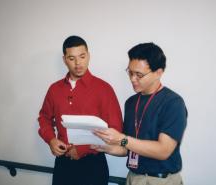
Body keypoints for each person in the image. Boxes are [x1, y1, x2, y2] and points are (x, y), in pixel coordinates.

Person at [92, 42, 187, 185]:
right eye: (130, 72)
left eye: (139, 75)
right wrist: (105, 147)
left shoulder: (173, 103)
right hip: (133, 178)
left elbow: (163, 150)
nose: (132, 79)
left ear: (158, 73)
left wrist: (122, 139)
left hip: (161, 180)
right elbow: (127, 148)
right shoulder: (131, 103)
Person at [38, 35, 123, 185]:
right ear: (65, 60)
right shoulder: (54, 89)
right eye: (71, 58)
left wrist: (84, 149)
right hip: (63, 164)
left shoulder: (104, 89)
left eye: (82, 56)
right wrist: (51, 140)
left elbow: (116, 129)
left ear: (88, 56)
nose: (78, 63)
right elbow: (44, 118)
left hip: (93, 165)